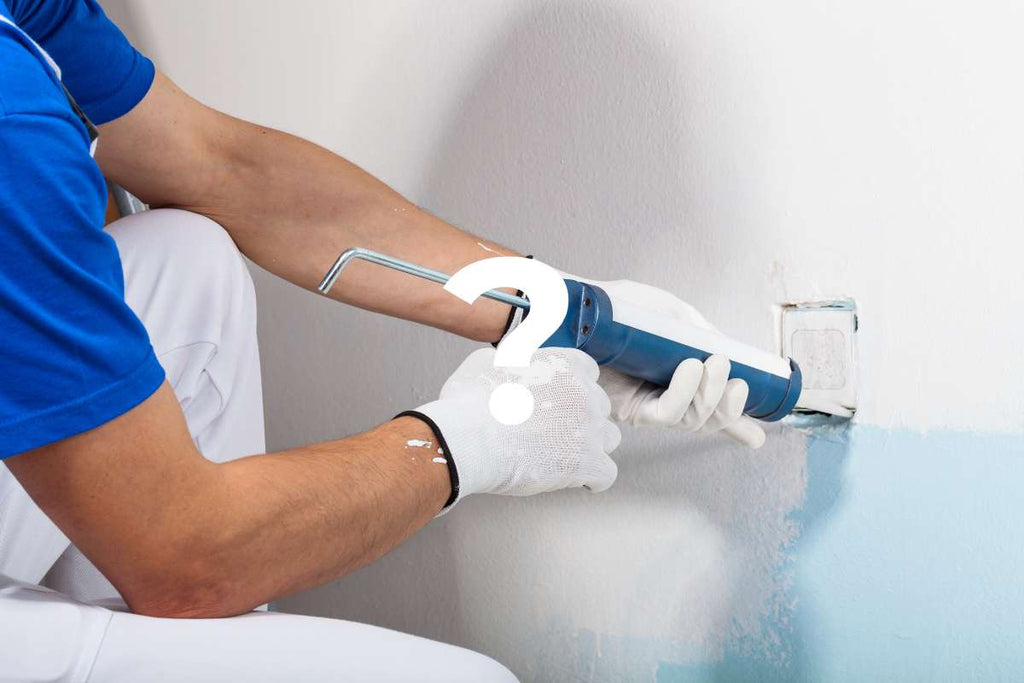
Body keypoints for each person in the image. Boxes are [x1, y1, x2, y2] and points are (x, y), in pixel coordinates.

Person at [0, 1, 764, 680]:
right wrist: (473, 439)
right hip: (174, 553)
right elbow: (185, 554)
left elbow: (221, 166)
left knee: (186, 256)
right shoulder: (11, 119)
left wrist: (569, 313)